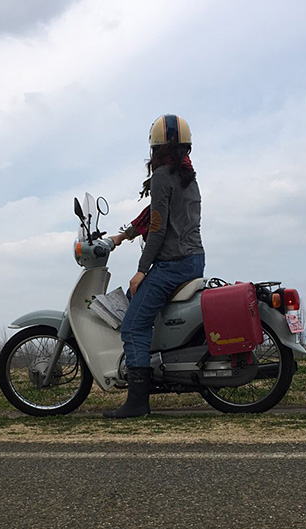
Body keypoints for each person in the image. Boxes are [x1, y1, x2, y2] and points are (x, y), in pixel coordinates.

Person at [103, 114, 205, 418]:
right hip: (194, 260)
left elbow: (158, 227)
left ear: (155, 147)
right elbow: (156, 212)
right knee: (139, 305)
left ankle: (137, 401)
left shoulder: (162, 176)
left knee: (133, 326)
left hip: (171, 264)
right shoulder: (188, 175)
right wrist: (124, 235)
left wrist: (141, 270)